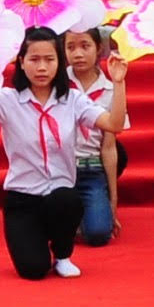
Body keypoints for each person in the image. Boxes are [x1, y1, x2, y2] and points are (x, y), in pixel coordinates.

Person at [0, 27, 129, 280]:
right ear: (21, 62)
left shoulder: (73, 99)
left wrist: (118, 82)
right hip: (22, 197)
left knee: (67, 200)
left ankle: (62, 254)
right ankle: (36, 240)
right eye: (34, 59)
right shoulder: (7, 100)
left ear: (59, 62)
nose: (42, 68)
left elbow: (114, 124)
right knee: (33, 270)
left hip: (60, 193)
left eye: (49, 59)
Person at [64, 28, 124, 246]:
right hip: (61, 169)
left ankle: (91, 208)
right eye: (70, 47)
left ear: (99, 48)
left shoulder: (109, 89)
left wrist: (113, 201)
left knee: (99, 234)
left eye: (85, 46)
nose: (78, 54)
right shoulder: (57, 85)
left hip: (91, 168)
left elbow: (109, 147)